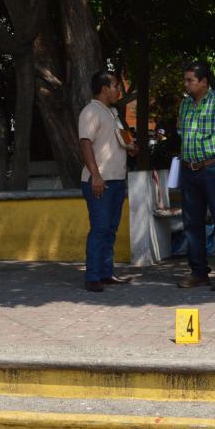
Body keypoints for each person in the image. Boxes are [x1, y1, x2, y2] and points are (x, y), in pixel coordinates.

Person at [176, 61, 215, 291]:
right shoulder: (184, 105)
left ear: (204, 81)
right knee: (191, 224)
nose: (186, 84)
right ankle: (199, 272)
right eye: (185, 80)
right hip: (189, 170)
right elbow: (182, 136)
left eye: (190, 80)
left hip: (213, 169)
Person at [78, 70, 137, 292]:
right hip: (100, 180)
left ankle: (106, 272)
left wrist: (132, 147)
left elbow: (123, 138)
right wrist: (96, 175)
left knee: (110, 229)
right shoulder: (90, 111)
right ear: (105, 89)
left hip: (116, 180)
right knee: (100, 228)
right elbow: (85, 143)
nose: (119, 90)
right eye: (115, 86)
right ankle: (92, 276)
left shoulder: (112, 112)